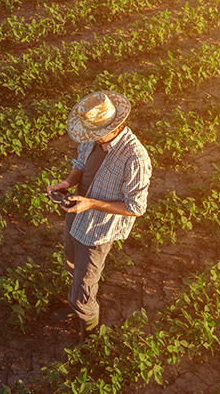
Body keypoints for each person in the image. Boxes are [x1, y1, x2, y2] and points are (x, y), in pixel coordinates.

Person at [47, 90, 152, 343]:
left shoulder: (135, 157)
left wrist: (91, 203)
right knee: (71, 263)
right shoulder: (92, 138)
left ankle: (90, 331)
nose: (90, 138)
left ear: (115, 127)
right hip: (77, 214)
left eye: (96, 134)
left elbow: (136, 207)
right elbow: (81, 165)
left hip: (98, 228)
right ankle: (76, 307)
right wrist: (67, 183)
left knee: (84, 286)